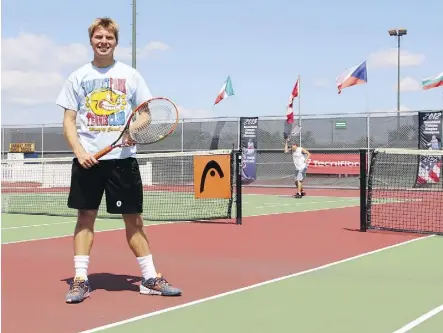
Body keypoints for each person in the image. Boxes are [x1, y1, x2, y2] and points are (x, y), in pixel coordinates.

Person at [56, 17, 182, 303]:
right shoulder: (77, 77)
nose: (103, 42)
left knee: (134, 220)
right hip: (89, 161)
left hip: (123, 161)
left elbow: (146, 114)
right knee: (85, 218)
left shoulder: (131, 75)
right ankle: (80, 280)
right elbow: (68, 120)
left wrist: (131, 130)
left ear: (115, 42)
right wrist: (79, 152)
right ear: (91, 40)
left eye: (108, 38)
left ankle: (149, 278)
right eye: (98, 37)